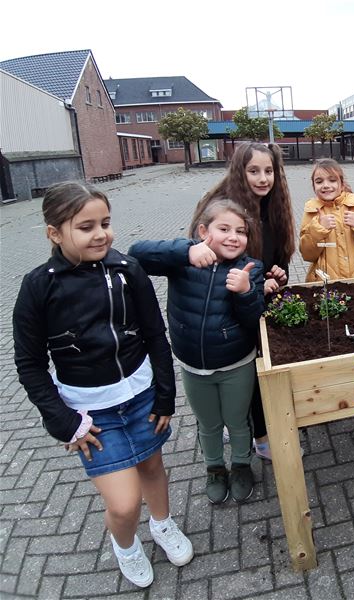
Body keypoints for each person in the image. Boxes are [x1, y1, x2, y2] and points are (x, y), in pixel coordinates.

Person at [13, 182, 193, 589]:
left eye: (106, 223)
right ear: (54, 233)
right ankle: (126, 546)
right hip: (90, 416)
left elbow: (154, 335)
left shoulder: (128, 271)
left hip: (142, 396)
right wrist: (63, 421)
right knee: (125, 502)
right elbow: (29, 362)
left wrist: (165, 392)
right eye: (86, 226)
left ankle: (163, 526)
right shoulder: (38, 286)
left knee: (152, 466)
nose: (100, 234)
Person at [130, 198, 265, 504]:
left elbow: (253, 318)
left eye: (241, 231)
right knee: (209, 423)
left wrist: (245, 291)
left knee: (237, 419)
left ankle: (242, 464)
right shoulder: (183, 261)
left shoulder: (250, 268)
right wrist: (185, 251)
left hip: (236, 364)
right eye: (224, 228)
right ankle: (215, 467)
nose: (233, 237)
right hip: (193, 366)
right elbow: (136, 255)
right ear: (204, 230)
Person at [190, 142, 295, 461]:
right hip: (227, 307)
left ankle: (256, 427)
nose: (263, 178)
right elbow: (207, 264)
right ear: (239, 171)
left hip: (258, 302)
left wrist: (280, 274)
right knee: (243, 371)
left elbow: (277, 259)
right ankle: (258, 436)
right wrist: (252, 285)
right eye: (254, 171)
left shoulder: (273, 206)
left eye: (269, 171)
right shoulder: (223, 208)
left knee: (260, 367)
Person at [299, 158, 354, 282]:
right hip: (324, 285)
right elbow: (308, 254)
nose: (326, 185)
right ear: (314, 186)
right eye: (319, 181)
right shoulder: (312, 210)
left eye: (332, 180)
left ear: (342, 184)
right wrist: (318, 230)